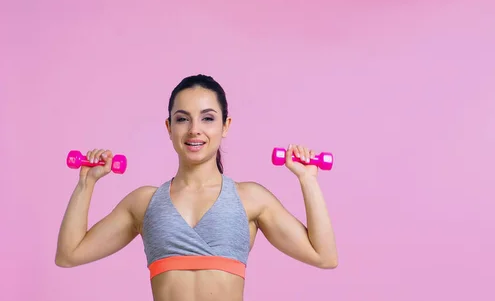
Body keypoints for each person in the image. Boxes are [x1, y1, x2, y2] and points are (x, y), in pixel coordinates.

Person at [55, 74, 338, 301]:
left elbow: (324, 256)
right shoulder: (143, 203)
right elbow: (69, 255)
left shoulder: (250, 198)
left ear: (225, 125)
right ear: (169, 128)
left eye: (207, 118)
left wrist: (308, 179)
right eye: (182, 118)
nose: (194, 129)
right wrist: (86, 182)